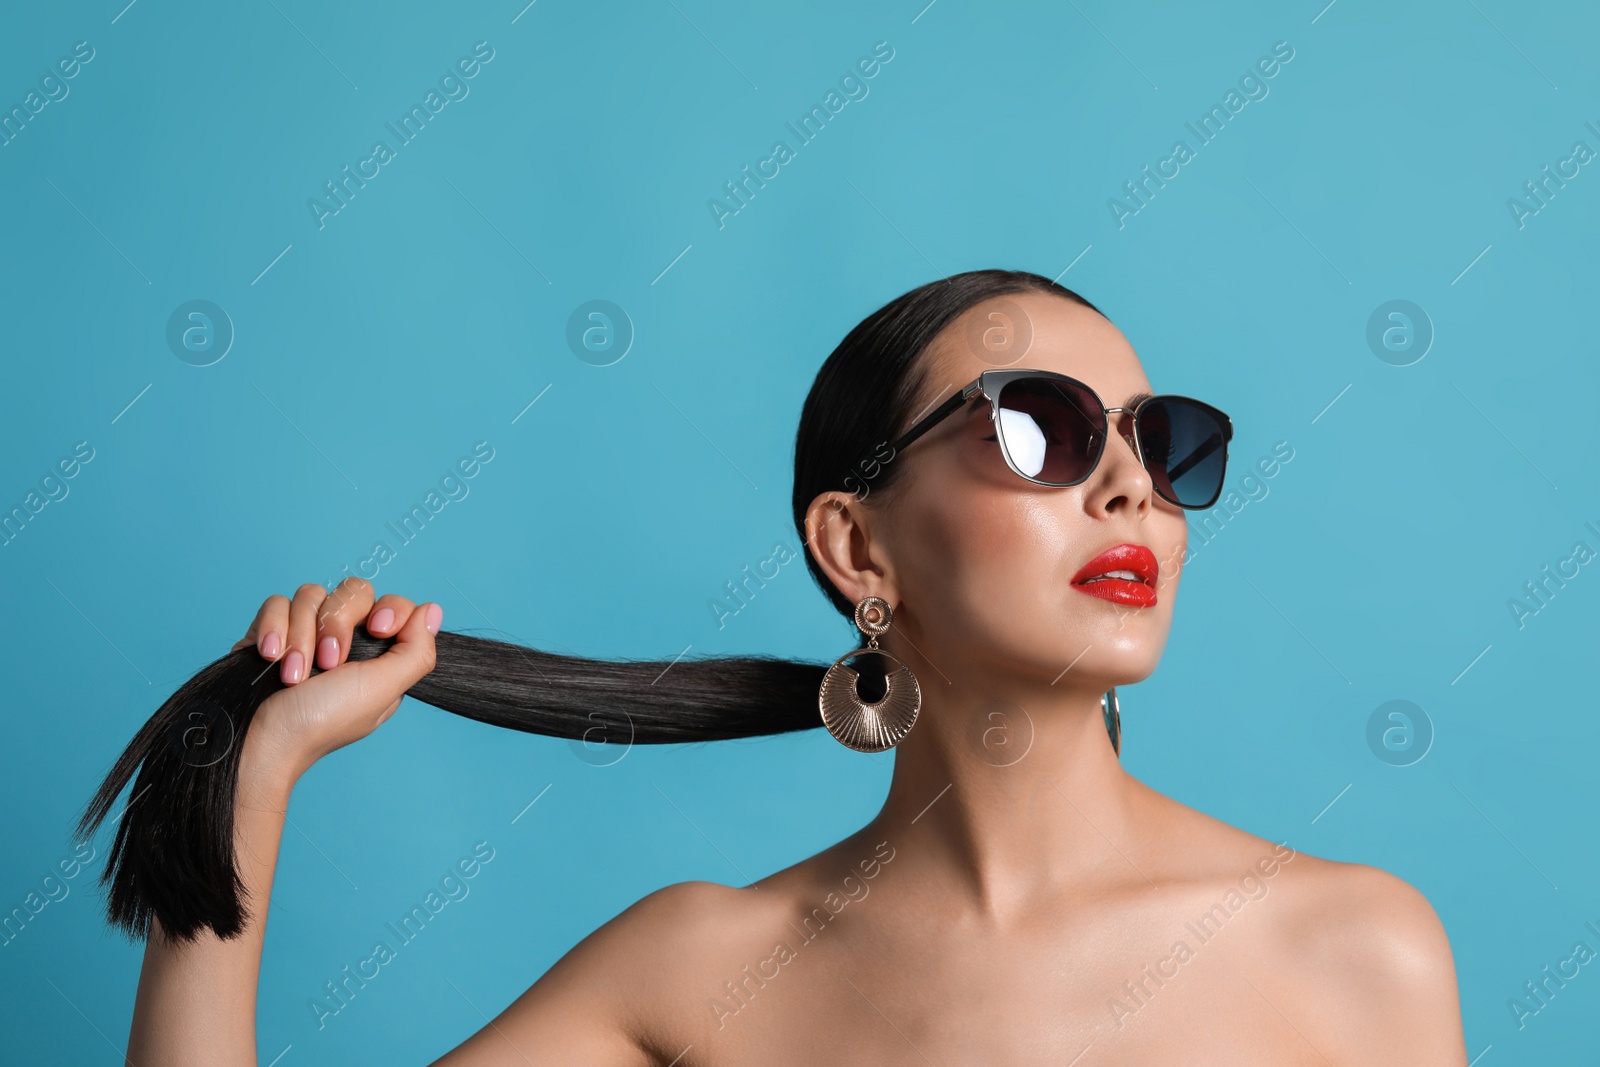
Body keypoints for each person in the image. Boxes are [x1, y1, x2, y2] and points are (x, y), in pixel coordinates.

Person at [125, 270, 1467, 1064]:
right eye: (1040, 431)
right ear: (857, 545)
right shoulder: (698, 967)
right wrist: (245, 773)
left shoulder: (1353, 950)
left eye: (1161, 442)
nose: (1131, 486)